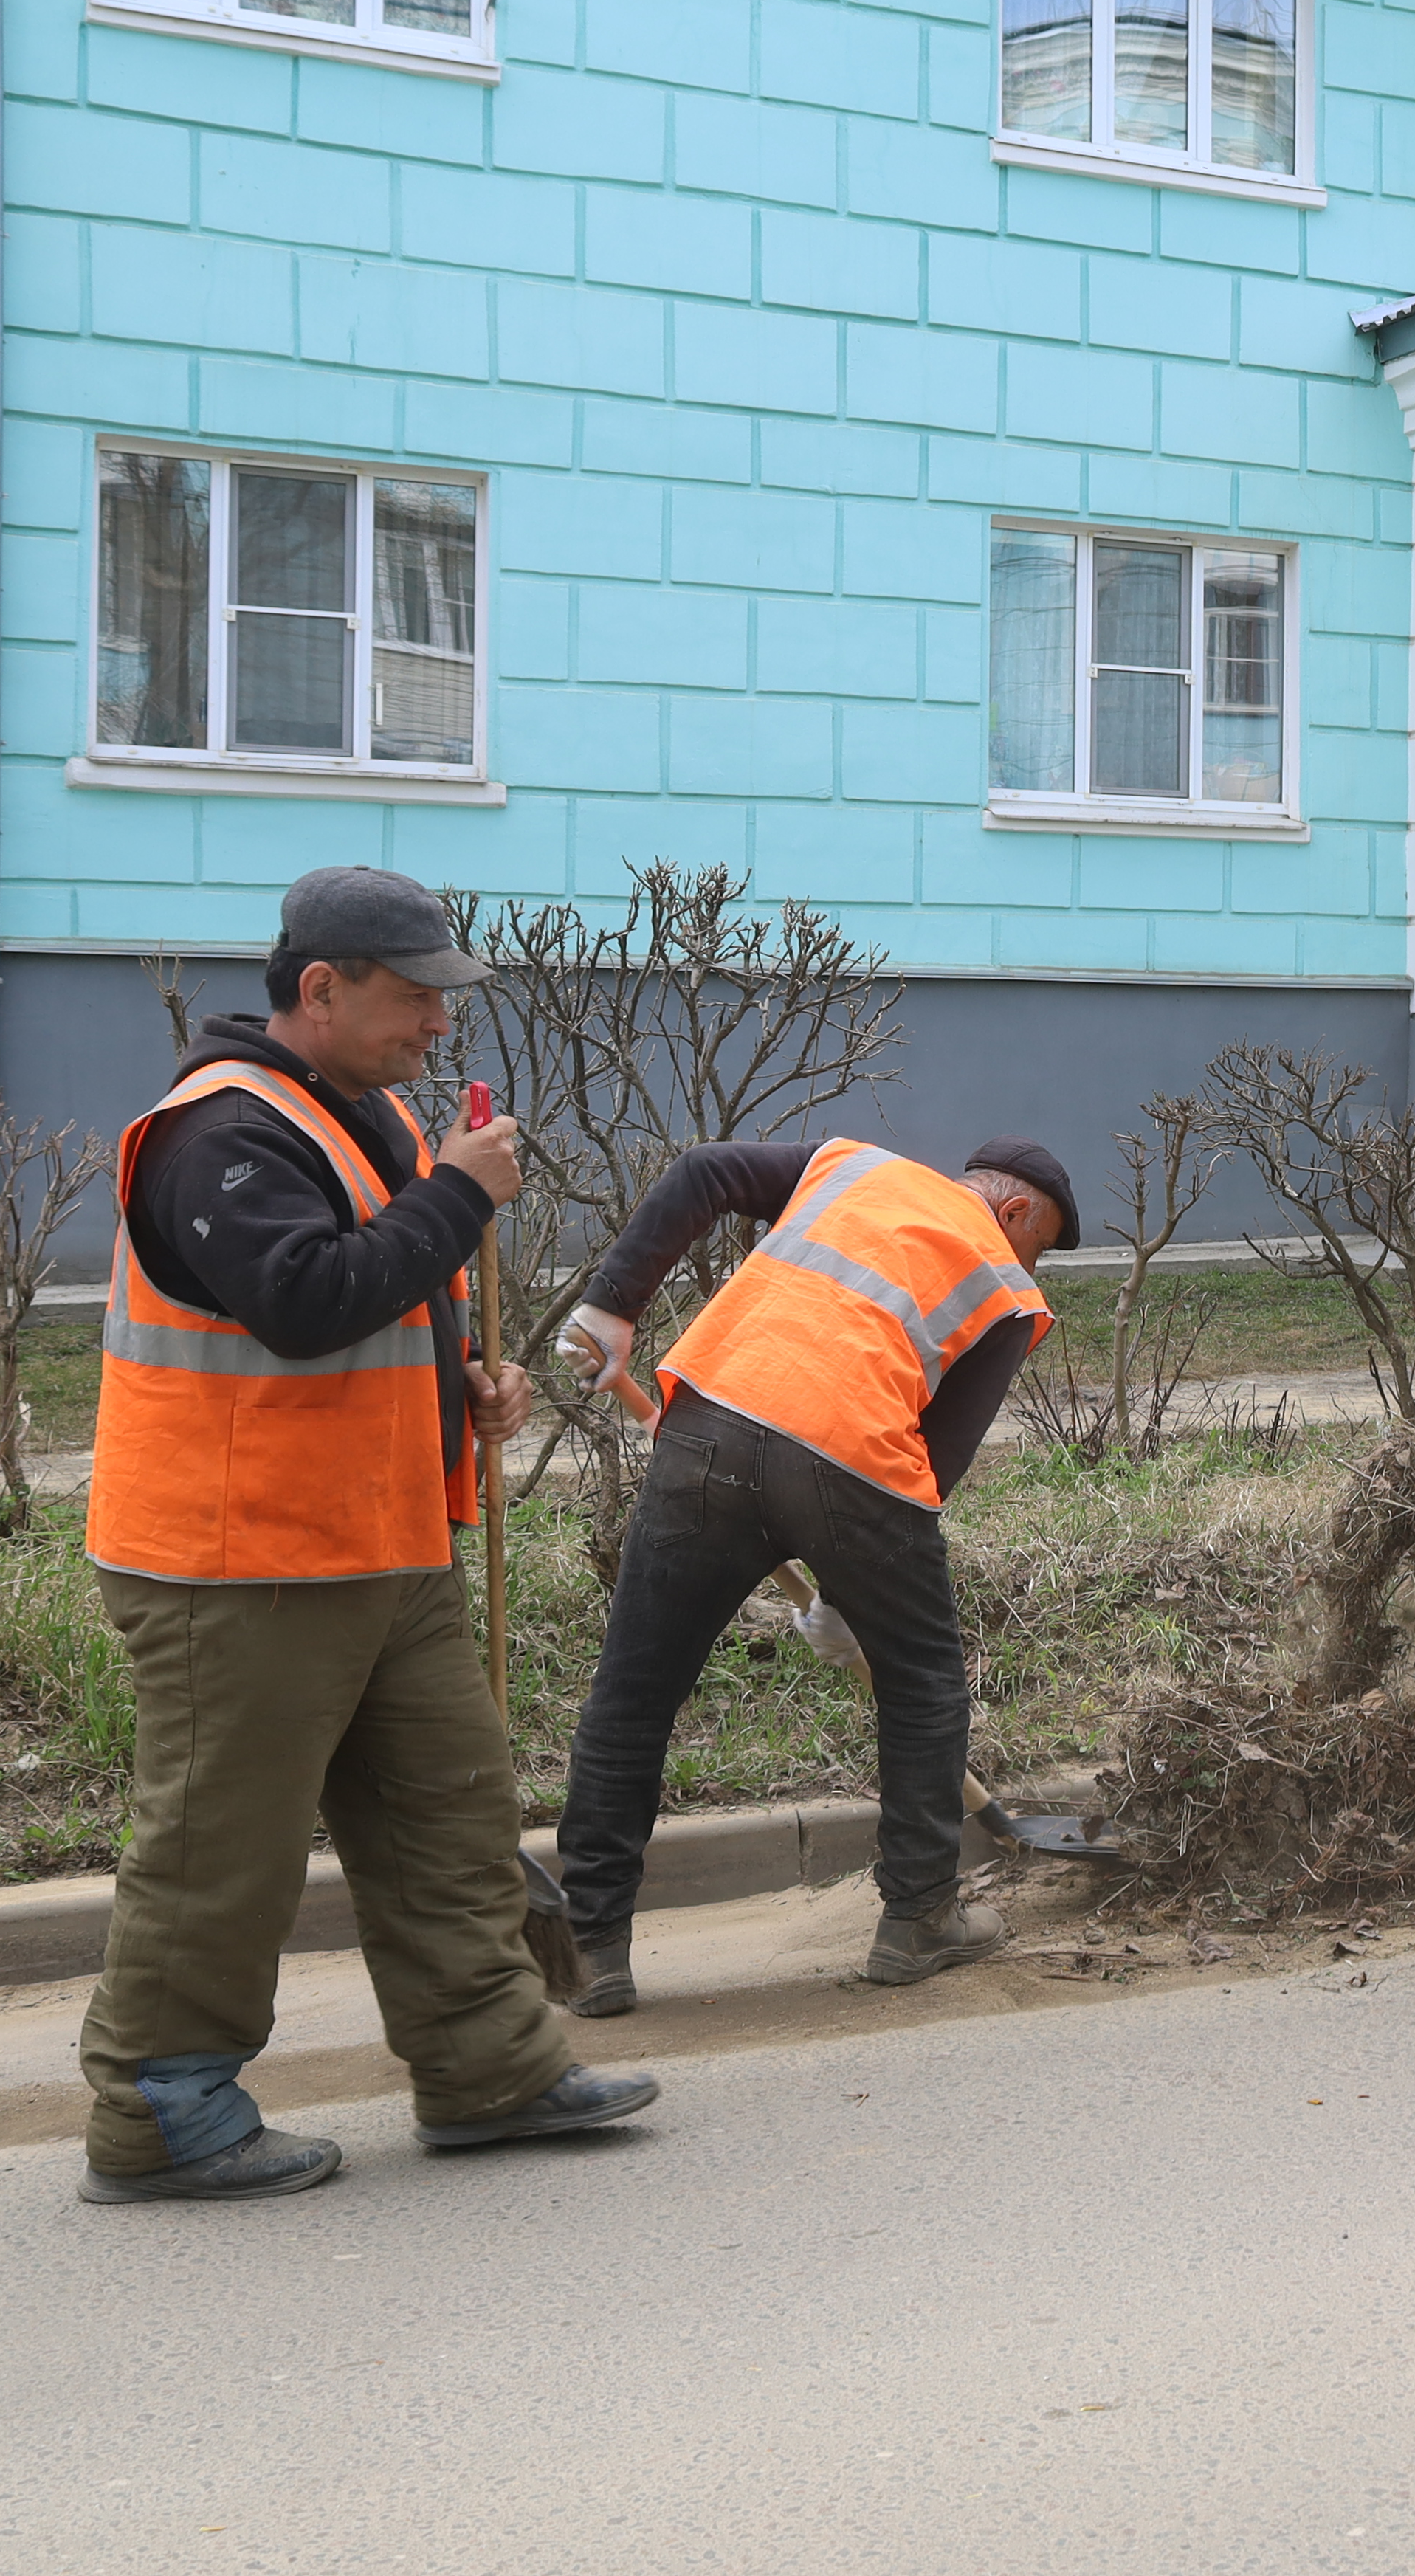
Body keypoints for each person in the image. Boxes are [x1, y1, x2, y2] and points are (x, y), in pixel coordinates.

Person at [77, 866, 658, 2205]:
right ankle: (163, 2109)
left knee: (448, 1819)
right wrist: (462, 1195)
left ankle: (492, 2069)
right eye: (413, 1001)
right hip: (236, 1560)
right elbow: (301, 1300)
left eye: (442, 1004)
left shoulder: (375, 1116)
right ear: (321, 990)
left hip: (383, 1543)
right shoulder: (215, 1132)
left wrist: (462, 1381)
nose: (436, 1029)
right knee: (219, 1846)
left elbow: (383, 1294)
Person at [548, 1134, 1076, 2011]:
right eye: (1037, 1241)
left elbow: (704, 1171)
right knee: (925, 1688)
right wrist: (852, 1593)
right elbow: (933, 1462)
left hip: (707, 1424)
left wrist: (613, 1303)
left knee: (634, 1691)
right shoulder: (1008, 1288)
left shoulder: (851, 1168)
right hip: (855, 1471)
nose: (1028, 1262)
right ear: (1014, 1210)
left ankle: (592, 1946)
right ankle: (917, 1920)